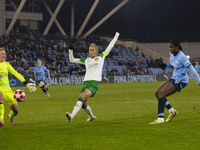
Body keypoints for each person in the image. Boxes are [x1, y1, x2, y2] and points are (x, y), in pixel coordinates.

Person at [66, 32, 120, 123]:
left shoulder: (101, 57)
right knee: (83, 104)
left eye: (92, 50)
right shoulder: (86, 60)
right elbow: (72, 60)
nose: (91, 52)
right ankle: (91, 117)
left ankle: (71, 116)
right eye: (90, 50)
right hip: (85, 83)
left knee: (82, 96)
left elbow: (110, 47)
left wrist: (116, 36)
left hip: (93, 84)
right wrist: (70, 50)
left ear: (97, 51)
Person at [149, 40, 200, 124]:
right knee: (157, 93)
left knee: (162, 94)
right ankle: (172, 111)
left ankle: (160, 119)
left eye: (171, 47)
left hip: (181, 80)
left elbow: (192, 69)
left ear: (177, 47)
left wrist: (199, 81)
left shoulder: (182, 57)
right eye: (169, 47)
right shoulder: (172, 54)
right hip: (174, 78)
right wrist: (166, 65)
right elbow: (173, 63)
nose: (170, 49)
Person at [0, 48, 36, 128]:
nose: (4, 55)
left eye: (5, 54)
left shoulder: (7, 64)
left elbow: (16, 73)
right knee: (0, 98)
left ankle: (11, 117)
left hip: (8, 90)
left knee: (16, 110)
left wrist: (26, 83)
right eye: (2, 54)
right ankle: (1, 120)